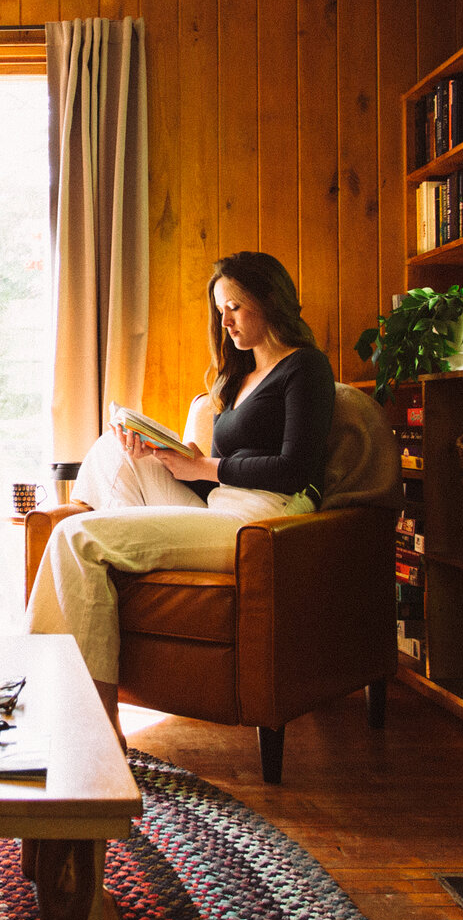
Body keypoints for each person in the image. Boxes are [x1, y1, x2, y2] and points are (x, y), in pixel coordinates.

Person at [26, 250, 336, 728]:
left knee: (76, 536)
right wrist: (166, 455)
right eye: (220, 310)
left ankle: (96, 727)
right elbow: (218, 462)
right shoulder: (239, 378)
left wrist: (207, 466)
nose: (225, 320)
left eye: (233, 306)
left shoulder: (306, 368)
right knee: (116, 448)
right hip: (218, 505)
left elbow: (295, 469)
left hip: (261, 521)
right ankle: (61, 672)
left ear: (269, 298)